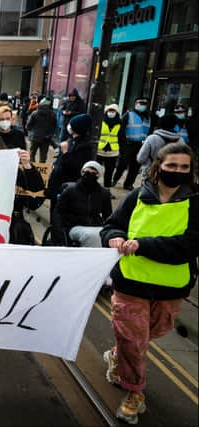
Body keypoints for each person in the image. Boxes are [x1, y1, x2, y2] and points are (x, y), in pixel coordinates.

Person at [100, 142, 198, 425]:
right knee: (133, 338)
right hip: (131, 282)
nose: (177, 171)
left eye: (184, 167)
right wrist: (114, 237)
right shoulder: (136, 197)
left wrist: (142, 245)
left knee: (153, 331)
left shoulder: (195, 203)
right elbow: (111, 225)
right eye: (171, 166)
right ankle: (134, 392)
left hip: (171, 286)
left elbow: (188, 245)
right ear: (158, 166)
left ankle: (117, 355)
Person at [53, 161, 112, 247]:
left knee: (104, 235)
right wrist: (59, 232)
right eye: (87, 172)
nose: (89, 175)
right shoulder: (70, 191)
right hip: (74, 226)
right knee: (91, 235)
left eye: (93, 173)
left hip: (95, 226)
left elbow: (108, 216)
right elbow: (58, 213)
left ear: (98, 175)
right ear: (82, 172)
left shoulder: (104, 193)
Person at [46, 114, 94, 216]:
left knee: (60, 216)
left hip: (67, 187)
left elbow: (76, 168)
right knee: (53, 213)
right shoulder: (71, 139)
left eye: (71, 124)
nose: (69, 126)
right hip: (57, 185)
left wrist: (65, 153)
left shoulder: (84, 146)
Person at [113, 97, 155, 190]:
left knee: (135, 166)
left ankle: (128, 184)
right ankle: (115, 179)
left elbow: (150, 132)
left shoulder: (148, 118)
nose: (143, 106)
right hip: (128, 144)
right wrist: (122, 145)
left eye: (145, 105)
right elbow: (121, 131)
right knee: (122, 164)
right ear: (136, 104)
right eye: (141, 104)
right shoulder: (128, 115)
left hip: (140, 145)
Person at [97, 104, 123, 189]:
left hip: (112, 152)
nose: (111, 113)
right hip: (99, 150)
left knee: (109, 172)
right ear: (106, 112)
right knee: (95, 169)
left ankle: (107, 189)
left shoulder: (120, 124)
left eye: (113, 111)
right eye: (109, 111)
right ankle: (92, 187)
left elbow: (122, 138)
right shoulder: (101, 121)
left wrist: (123, 151)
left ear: (117, 113)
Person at [26, 98, 57, 162]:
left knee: (32, 154)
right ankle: (41, 170)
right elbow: (54, 125)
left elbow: (28, 126)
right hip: (46, 138)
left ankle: (33, 169)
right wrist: (51, 133)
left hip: (35, 137)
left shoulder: (34, 113)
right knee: (43, 157)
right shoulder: (52, 114)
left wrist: (31, 131)